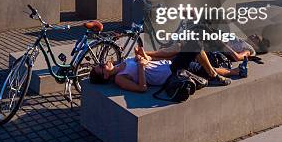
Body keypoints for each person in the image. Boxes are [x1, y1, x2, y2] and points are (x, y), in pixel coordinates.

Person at [89, 46, 244, 92]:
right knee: (194, 48)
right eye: (101, 67)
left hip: (169, 64)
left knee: (199, 67)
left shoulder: (120, 63)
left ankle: (236, 72)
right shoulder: (119, 78)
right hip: (170, 74)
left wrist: (144, 56)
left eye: (101, 63)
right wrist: (142, 67)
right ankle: (215, 75)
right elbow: (142, 88)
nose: (103, 63)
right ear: (104, 77)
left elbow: (149, 60)